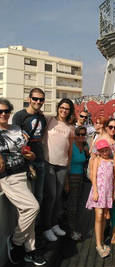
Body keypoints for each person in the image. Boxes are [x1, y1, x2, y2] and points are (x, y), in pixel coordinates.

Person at [0, 98, 46, 266]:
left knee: (28, 213)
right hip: (9, 177)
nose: (3, 114)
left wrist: (30, 156)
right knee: (33, 207)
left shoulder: (16, 129)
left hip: (25, 172)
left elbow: (28, 152)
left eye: (6, 111)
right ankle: (16, 241)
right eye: (0, 112)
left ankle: (30, 250)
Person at [42, 98, 75, 242]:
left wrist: (67, 168)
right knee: (51, 196)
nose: (64, 110)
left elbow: (69, 150)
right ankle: (46, 227)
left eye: (67, 108)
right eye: (62, 107)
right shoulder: (49, 120)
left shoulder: (71, 128)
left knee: (58, 197)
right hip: (48, 163)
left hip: (62, 166)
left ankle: (54, 224)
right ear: (58, 107)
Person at [12, 88, 47, 205]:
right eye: (35, 98)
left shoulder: (42, 117)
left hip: (40, 160)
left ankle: (36, 223)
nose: (38, 101)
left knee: (39, 196)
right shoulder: (19, 116)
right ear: (29, 99)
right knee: (27, 197)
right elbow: (14, 140)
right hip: (25, 162)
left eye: (41, 99)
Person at [86, 139, 114, 258]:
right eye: (102, 150)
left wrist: (113, 193)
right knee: (99, 215)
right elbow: (93, 175)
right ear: (98, 151)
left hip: (108, 192)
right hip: (98, 191)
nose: (104, 152)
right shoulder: (96, 160)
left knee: (104, 217)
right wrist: (95, 191)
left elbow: (113, 178)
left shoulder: (112, 161)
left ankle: (101, 240)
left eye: (106, 149)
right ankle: (98, 244)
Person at [66, 126, 89, 241]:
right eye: (78, 134)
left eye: (83, 134)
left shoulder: (85, 146)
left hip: (82, 178)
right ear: (75, 135)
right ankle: (71, 230)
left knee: (80, 205)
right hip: (72, 177)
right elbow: (67, 164)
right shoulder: (71, 145)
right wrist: (66, 182)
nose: (81, 136)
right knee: (72, 205)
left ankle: (76, 228)